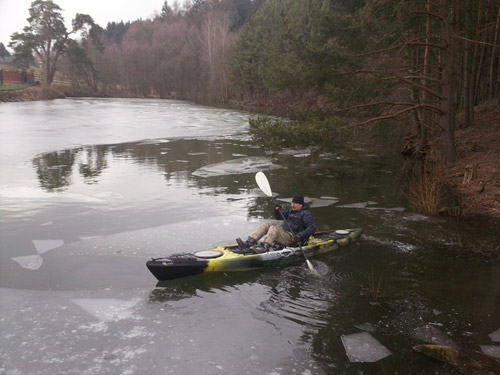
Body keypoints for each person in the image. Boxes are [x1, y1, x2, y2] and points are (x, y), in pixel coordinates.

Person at [236, 194, 316, 253]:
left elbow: (312, 228)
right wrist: (276, 210)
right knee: (266, 225)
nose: (292, 205)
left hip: (292, 239)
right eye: (292, 203)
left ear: (301, 205)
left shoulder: (306, 214)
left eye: (295, 203)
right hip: (284, 234)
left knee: (274, 228)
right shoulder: (290, 211)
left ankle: (264, 247)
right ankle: (248, 243)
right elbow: (279, 217)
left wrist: (299, 235)